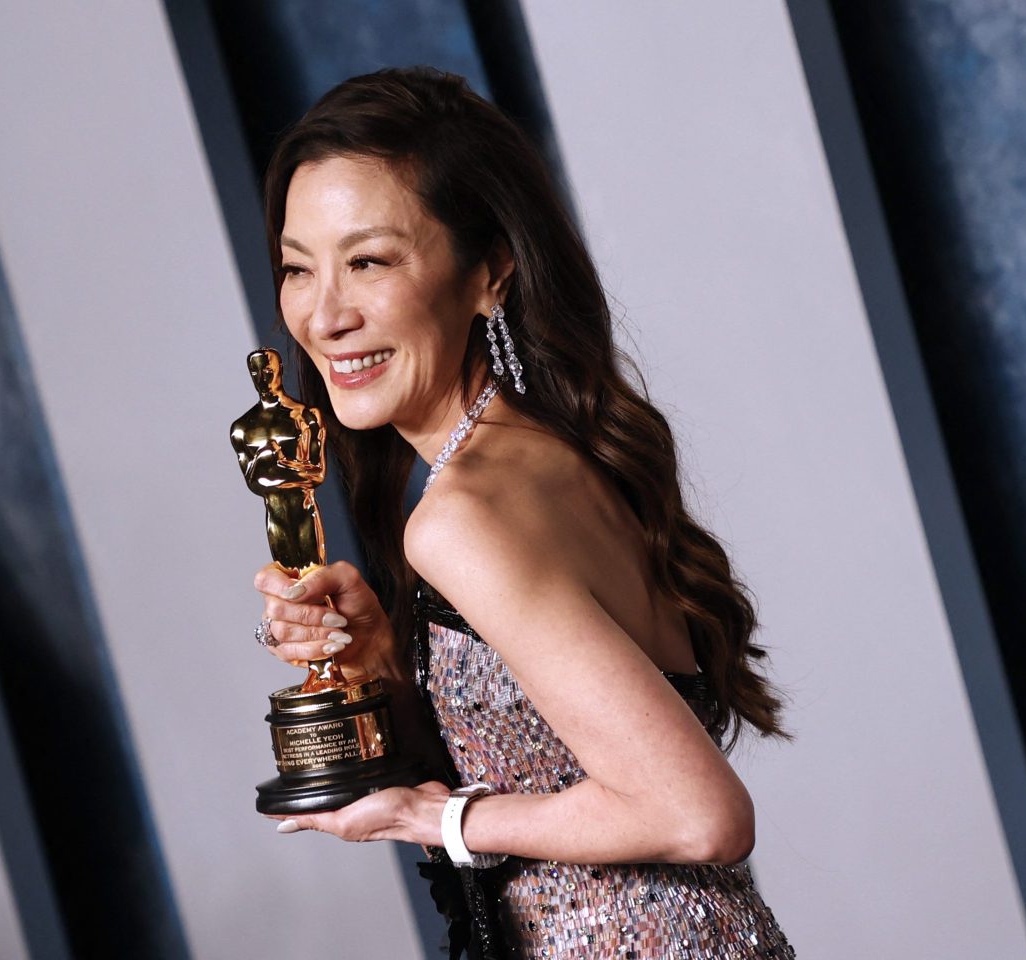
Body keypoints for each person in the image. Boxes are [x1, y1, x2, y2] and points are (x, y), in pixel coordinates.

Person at [250, 66, 797, 959]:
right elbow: (550, 746)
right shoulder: (549, 454)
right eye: (297, 269)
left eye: (370, 262)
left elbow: (698, 815)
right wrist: (387, 657)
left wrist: (442, 819)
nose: (324, 314)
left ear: (489, 273)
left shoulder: (462, 516)